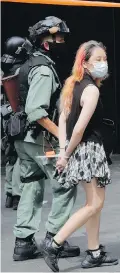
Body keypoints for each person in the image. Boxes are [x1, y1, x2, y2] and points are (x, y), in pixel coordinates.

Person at [42, 40, 118, 272]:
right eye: (98, 60)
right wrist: (65, 154)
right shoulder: (91, 90)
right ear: (84, 63)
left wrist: (65, 149)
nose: (103, 64)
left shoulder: (72, 85)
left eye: (104, 59)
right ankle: (54, 244)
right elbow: (78, 128)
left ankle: (94, 252)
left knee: (92, 204)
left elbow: (63, 119)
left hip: (80, 151)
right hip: (90, 150)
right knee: (94, 204)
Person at [11, 16, 80, 261]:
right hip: (41, 140)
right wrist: (61, 134)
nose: (63, 42)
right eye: (59, 38)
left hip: (24, 139)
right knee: (65, 184)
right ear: (46, 42)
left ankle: (23, 242)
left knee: (31, 184)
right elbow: (37, 111)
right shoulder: (42, 69)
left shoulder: (29, 63)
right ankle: (54, 239)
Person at [1, 36, 30, 210]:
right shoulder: (20, 70)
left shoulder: (6, 68)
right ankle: (18, 195)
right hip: (17, 115)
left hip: (6, 115)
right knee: (20, 155)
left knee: (11, 154)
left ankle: (10, 193)